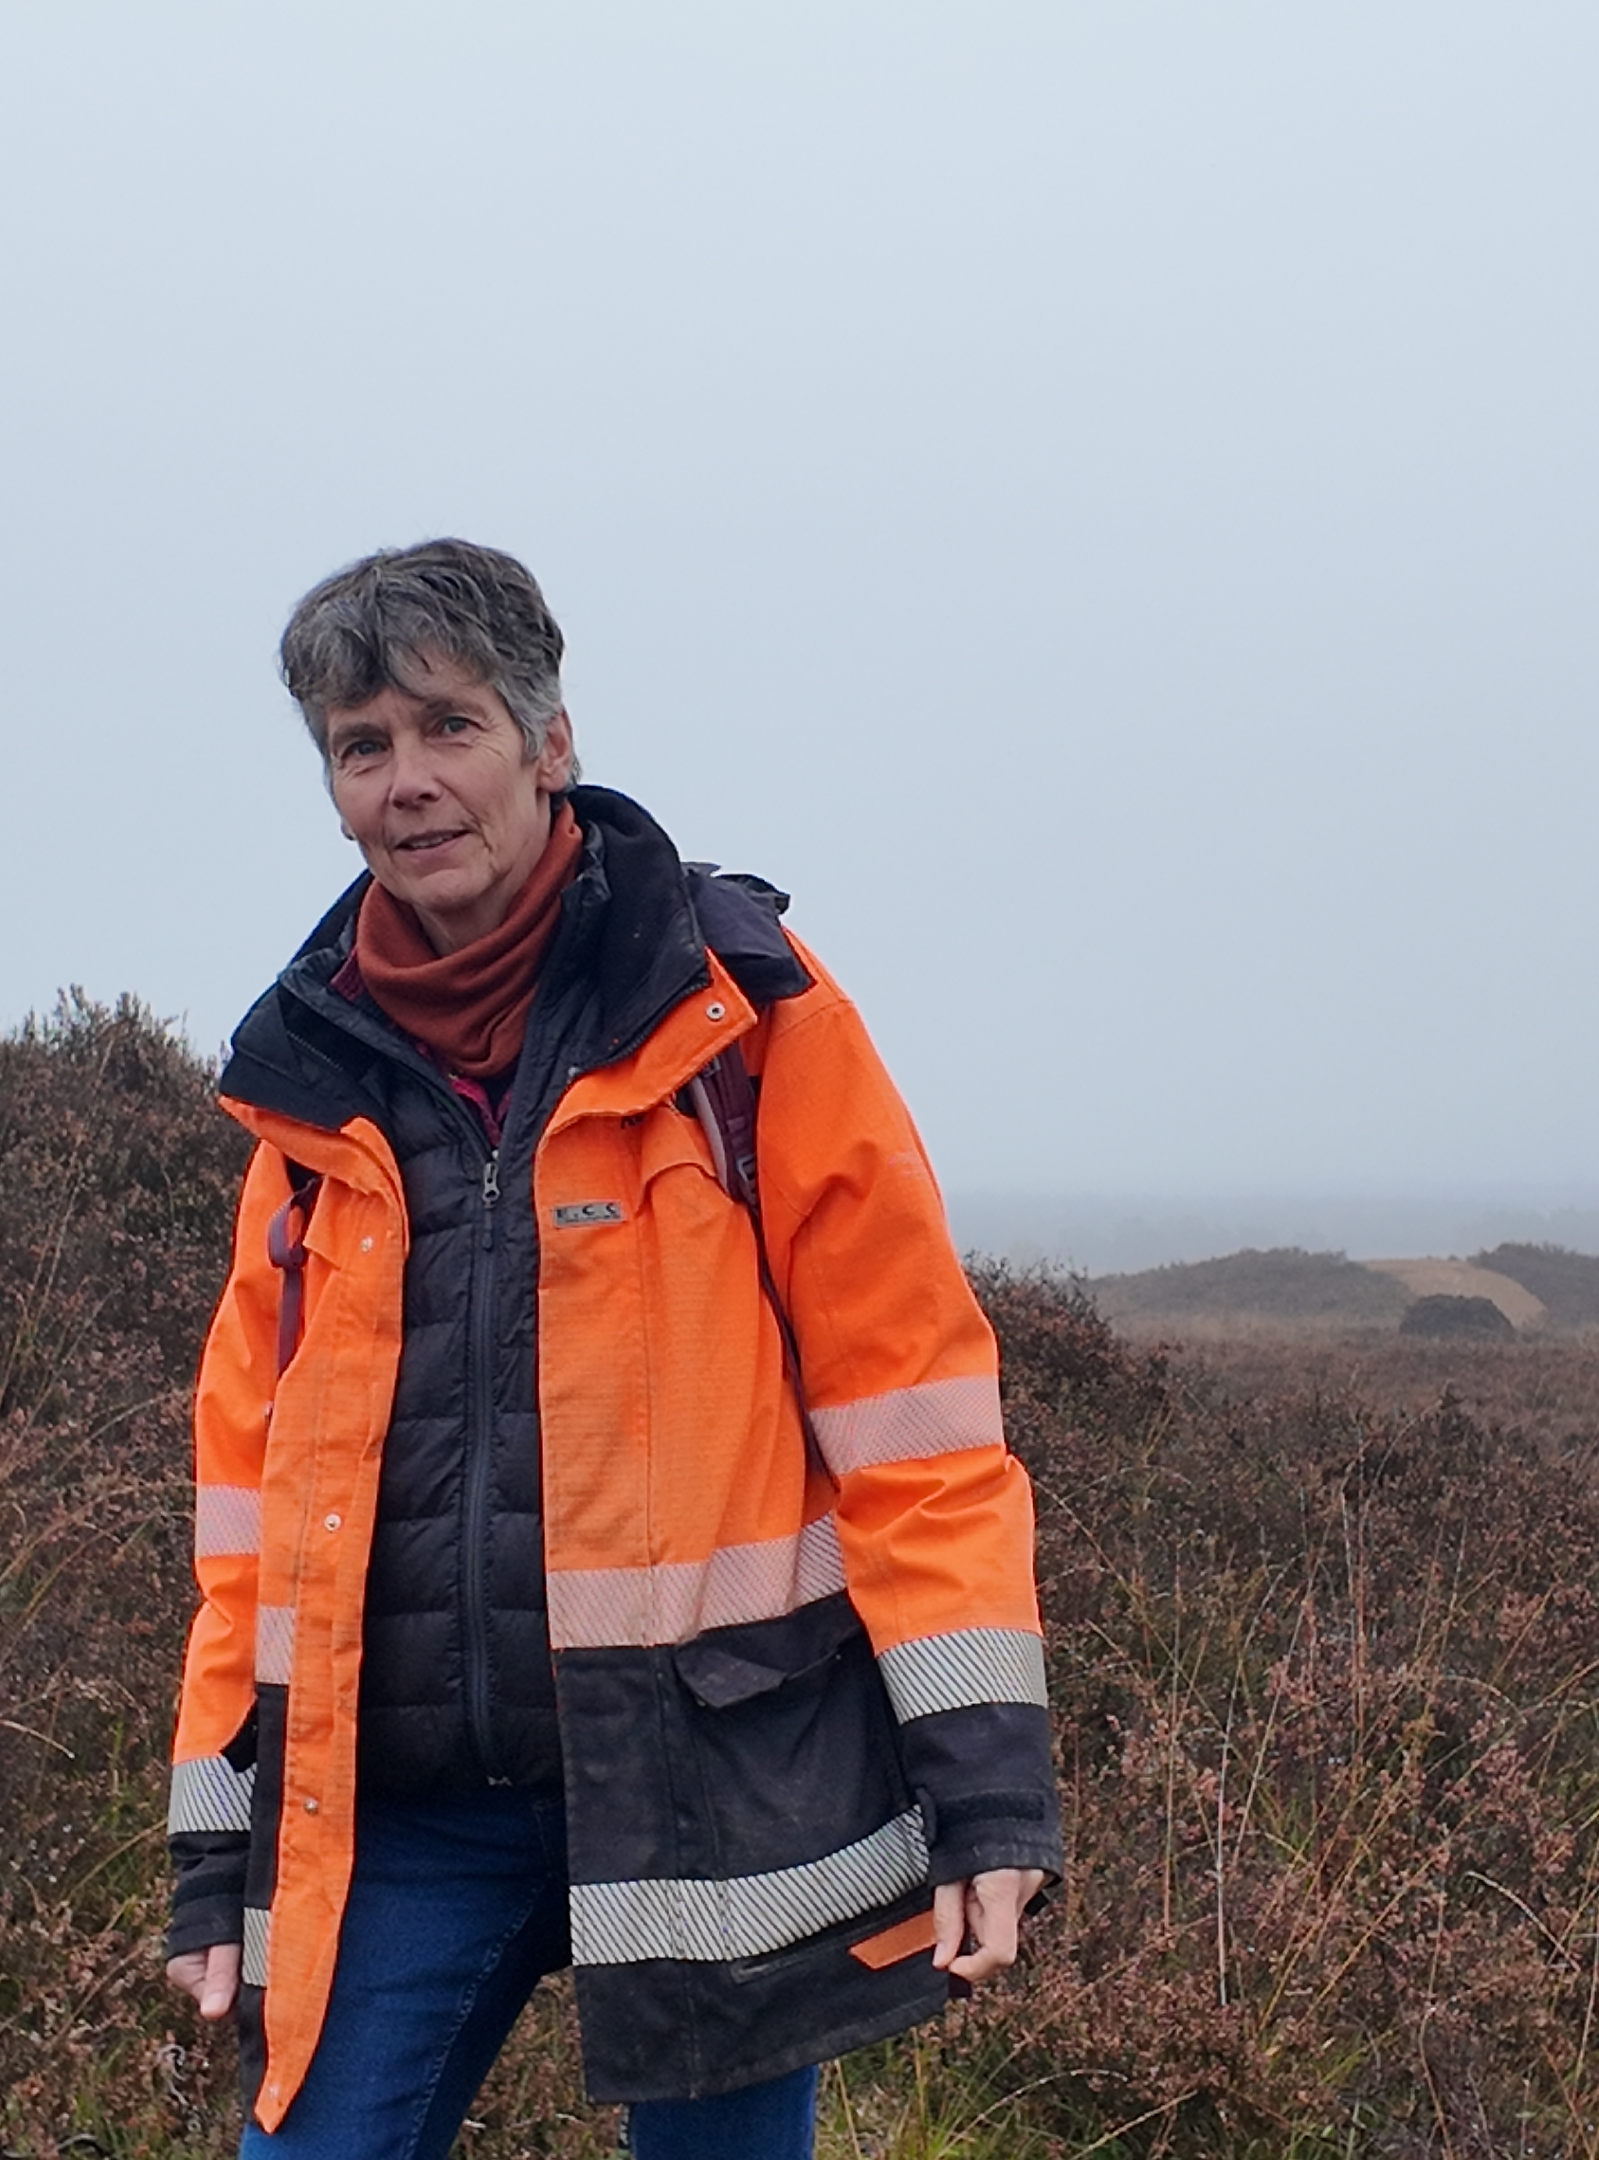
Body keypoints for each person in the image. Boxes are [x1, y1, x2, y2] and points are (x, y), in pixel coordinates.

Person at [160, 540, 1060, 2159]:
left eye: (448, 727)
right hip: (406, 1814)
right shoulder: (308, 1087)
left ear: (549, 742)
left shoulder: (741, 1009)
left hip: (715, 1788)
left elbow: (913, 1424)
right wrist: (216, 1850)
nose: (408, 781)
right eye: (362, 748)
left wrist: (986, 1788)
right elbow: (250, 1521)